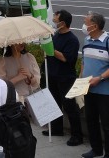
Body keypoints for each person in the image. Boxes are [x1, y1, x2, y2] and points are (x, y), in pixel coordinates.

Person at [44, 10, 83, 146]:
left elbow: (66, 58)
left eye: (56, 19)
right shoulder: (56, 35)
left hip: (65, 78)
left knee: (69, 107)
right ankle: (56, 129)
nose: (54, 21)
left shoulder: (72, 40)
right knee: (54, 103)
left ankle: (77, 135)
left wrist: (50, 49)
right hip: (53, 75)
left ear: (63, 23)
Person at [80, 11, 109, 158]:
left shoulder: (107, 41)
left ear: (95, 26)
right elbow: (84, 61)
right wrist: (80, 79)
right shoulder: (87, 40)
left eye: (86, 23)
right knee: (91, 121)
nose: (84, 25)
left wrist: (100, 78)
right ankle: (96, 149)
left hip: (104, 92)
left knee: (106, 124)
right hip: (88, 89)